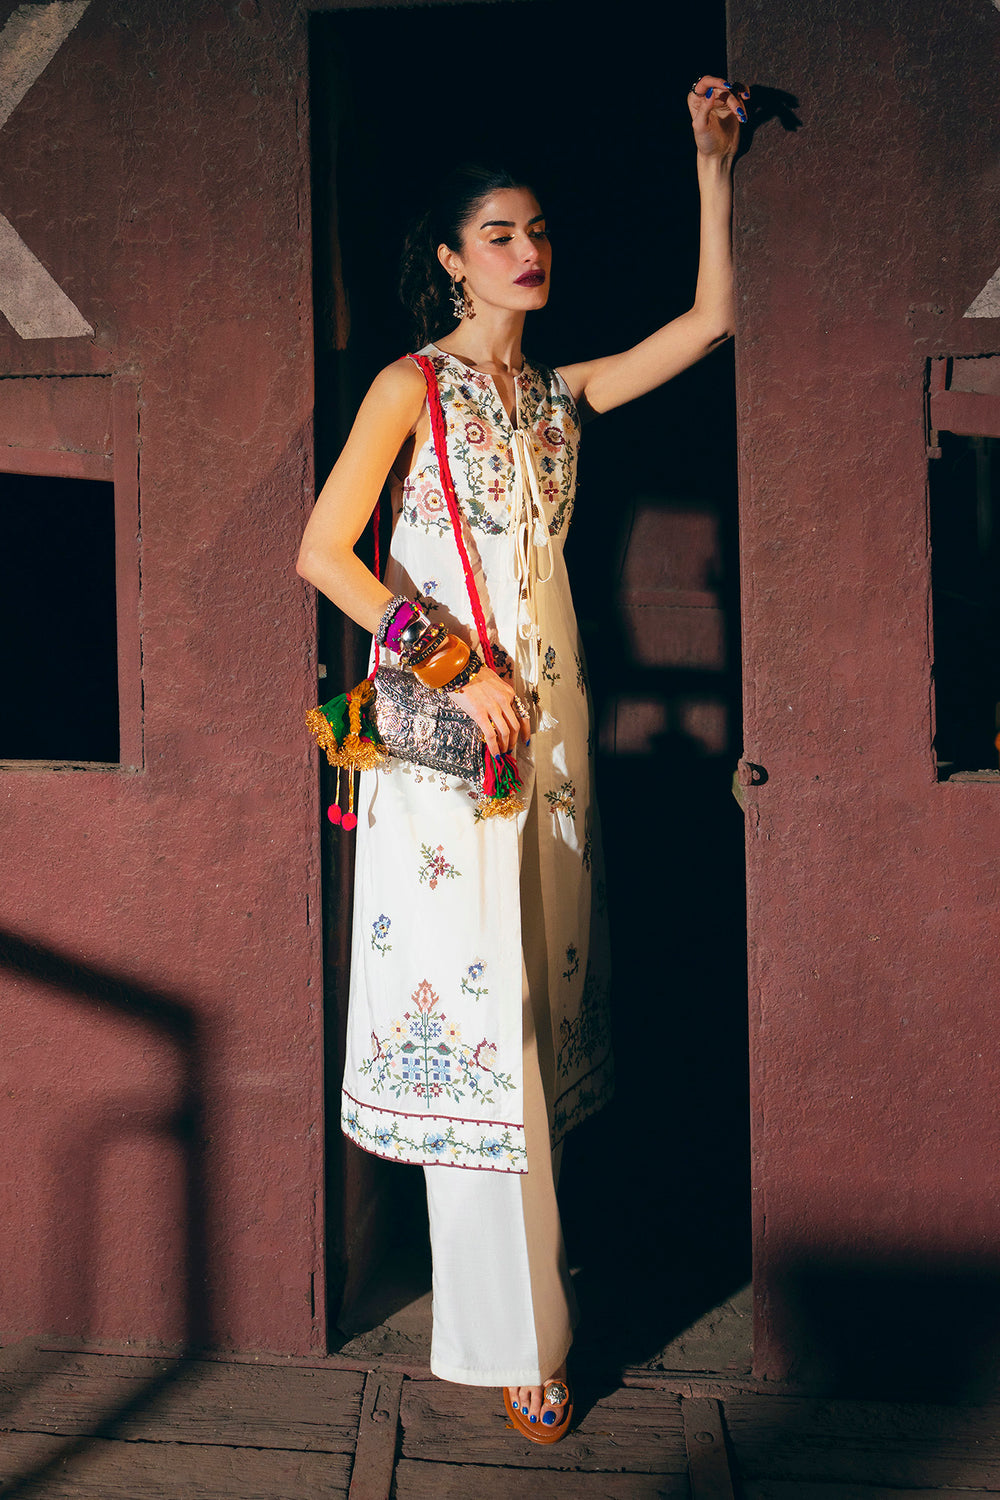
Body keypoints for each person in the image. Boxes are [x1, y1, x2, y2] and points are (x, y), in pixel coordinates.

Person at [296, 75, 744, 1442]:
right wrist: (449, 664)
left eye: (538, 229)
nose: (527, 250)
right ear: (449, 258)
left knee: (535, 1023)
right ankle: (516, 1341)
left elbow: (710, 323)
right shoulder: (408, 387)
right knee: (479, 1035)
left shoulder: (555, 396)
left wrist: (710, 163)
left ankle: (532, 1298)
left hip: (550, 746)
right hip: (451, 749)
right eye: (498, 233)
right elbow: (324, 554)